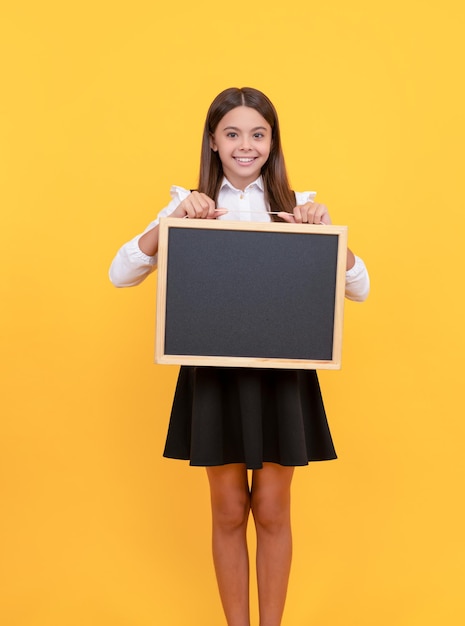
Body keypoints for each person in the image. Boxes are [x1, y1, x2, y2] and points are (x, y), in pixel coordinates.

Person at [109, 87, 370, 626]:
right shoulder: (188, 204)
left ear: (272, 143)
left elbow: (360, 287)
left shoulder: (298, 206)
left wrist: (326, 235)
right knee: (228, 509)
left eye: (257, 134)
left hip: (282, 374)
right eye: (232, 134)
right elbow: (121, 273)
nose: (244, 145)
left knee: (272, 508)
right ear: (213, 141)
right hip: (214, 372)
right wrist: (172, 221)